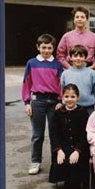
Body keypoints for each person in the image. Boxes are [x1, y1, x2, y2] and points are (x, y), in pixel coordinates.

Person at [22, 33, 63, 175]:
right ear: (38, 47)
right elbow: (26, 83)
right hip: (37, 101)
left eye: (49, 48)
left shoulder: (57, 64)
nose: (46, 50)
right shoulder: (31, 63)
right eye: (43, 47)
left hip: (54, 102)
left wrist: (61, 100)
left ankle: (55, 162)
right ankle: (35, 162)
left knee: (54, 133)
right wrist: (27, 102)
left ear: (54, 48)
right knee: (37, 134)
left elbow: (61, 84)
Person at [49, 84, 90, 189]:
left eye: (73, 97)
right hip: (63, 146)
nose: (69, 99)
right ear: (62, 97)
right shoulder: (57, 113)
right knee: (63, 159)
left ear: (78, 97)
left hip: (78, 146)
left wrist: (77, 150)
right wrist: (58, 150)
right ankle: (63, 179)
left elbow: (85, 134)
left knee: (75, 161)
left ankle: (76, 181)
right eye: (66, 96)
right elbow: (53, 134)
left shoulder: (83, 113)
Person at [60, 45, 95, 115]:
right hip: (70, 107)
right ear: (71, 57)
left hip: (88, 107)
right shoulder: (65, 74)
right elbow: (63, 89)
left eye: (81, 56)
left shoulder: (92, 74)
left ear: (85, 57)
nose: (78, 58)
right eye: (75, 56)